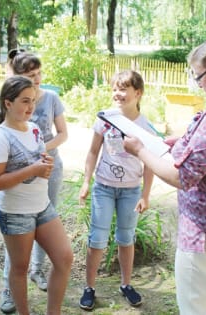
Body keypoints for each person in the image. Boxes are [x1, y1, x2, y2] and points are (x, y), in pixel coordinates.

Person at [123, 36, 206, 315]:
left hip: (202, 235)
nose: (198, 83)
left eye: (199, 75)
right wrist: (185, 142)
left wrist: (141, 151)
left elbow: (183, 177)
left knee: (197, 307)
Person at [0, 75, 73, 315]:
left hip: (42, 205)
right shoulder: (0, 138)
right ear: (7, 103)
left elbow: (36, 160)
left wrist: (44, 163)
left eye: (33, 101)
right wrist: (33, 169)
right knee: (20, 268)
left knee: (64, 258)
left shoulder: (34, 129)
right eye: (25, 101)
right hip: (15, 212)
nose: (31, 107)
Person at [78, 70, 155, 310]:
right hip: (103, 188)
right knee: (97, 239)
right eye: (114, 89)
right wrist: (86, 181)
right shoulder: (104, 119)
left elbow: (150, 163)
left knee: (126, 238)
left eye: (123, 89)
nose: (117, 94)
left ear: (138, 93)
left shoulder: (145, 126)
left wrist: (145, 195)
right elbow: (92, 152)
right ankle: (89, 288)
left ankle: (126, 284)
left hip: (130, 191)